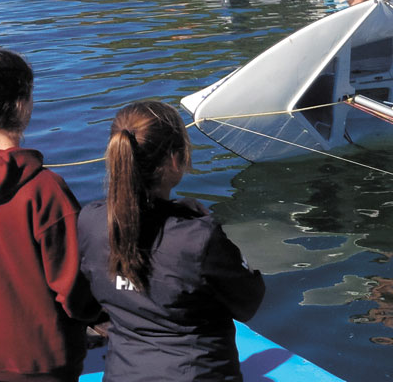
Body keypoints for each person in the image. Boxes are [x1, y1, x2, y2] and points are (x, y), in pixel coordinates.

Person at [78, 101, 265, 381]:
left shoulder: (90, 222)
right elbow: (249, 302)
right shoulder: (198, 238)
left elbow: (85, 301)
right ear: (175, 160)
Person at [0, 46, 99, 382]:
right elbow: (73, 291)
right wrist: (103, 315)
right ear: (22, 104)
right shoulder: (44, 190)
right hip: (42, 363)